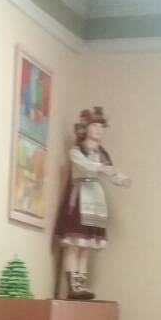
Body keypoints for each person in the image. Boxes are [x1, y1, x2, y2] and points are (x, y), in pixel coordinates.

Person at [53, 105, 131, 300]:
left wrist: (121, 179)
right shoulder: (76, 151)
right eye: (95, 126)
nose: (99, 130)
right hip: (80, 196)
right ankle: (73, 284)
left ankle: (81, 282)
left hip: (95, 200)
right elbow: (86, 167)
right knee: (75, 242)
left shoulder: (102, 153)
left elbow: (111, 172)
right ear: (85, 128)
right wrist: (101, 168)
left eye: (101, 127)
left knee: (87, 245)